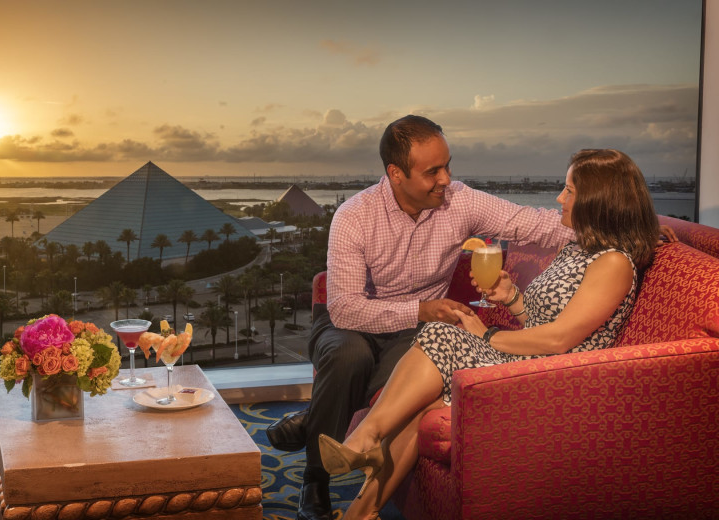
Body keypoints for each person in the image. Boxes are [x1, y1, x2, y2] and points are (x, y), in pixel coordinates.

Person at [317, 148, 661, 520]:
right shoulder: (580, 247)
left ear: (599, 200)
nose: (559, 198)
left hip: (557, 378)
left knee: (440, 333)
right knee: (420, 392)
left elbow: (559, 339)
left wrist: (488, 335)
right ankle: (358, 510)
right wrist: (512, 297)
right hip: (535, 361)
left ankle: (364, 438)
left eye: (569, 190)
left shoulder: (612, 262)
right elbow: (542, 322)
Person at [266, 114, 577, 520]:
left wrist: (625, 227)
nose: (446, 179)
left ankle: (318, 418)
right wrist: (419, 309)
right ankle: (314, 482)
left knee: (409, 366)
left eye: (448, 166)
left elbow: (532, 224)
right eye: (433, 171)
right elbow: (343, 306)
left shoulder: (460, 200)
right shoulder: (354, 216)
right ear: (396, 174)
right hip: (351, 323)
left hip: (414, 329)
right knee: (349, 358)